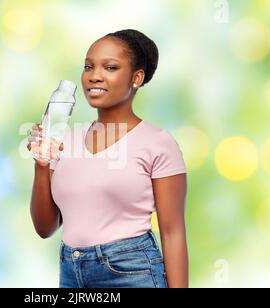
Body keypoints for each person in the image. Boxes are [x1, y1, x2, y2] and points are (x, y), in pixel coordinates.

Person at [27, 29, 188, 288]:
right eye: (88, 67)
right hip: (72, 272)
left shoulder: (157, 143)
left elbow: (173, 233)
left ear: (136, 77)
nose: (94, 76)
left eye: (110, 67)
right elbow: (45, 227)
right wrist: (41, 163)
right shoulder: (64, 139)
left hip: (133, 272)